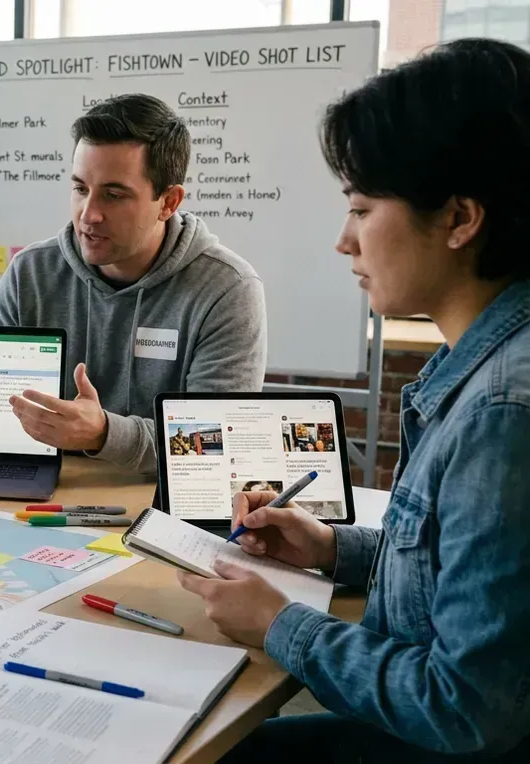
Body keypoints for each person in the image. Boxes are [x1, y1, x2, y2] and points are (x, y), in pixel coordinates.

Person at [178, 39, 530, 761]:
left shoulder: (501, 413)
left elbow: (464, 710)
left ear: (460, 219)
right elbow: (463, 582)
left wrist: (279, 624)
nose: (344, 241)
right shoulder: (483, 363)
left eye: (362, 209)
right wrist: (332, 548)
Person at [0, 94, 267, 474]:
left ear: (168, 202)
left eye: (114, 195)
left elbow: (214, 441)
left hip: (161, 498)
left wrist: (104, 434)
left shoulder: (228, 289)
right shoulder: (30, 274)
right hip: (48, 489)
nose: (89, 215)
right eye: (80, 189)